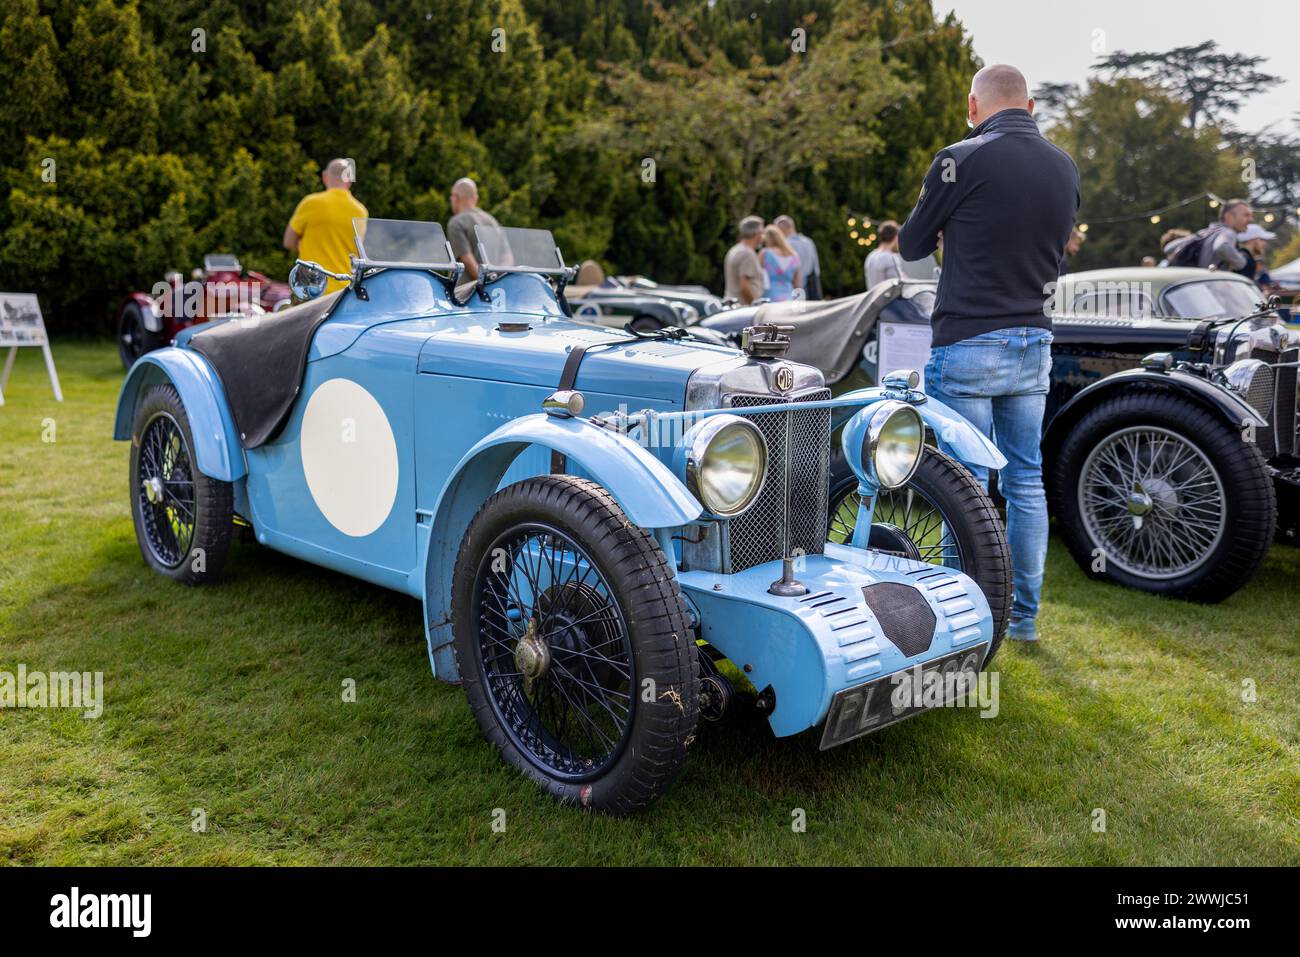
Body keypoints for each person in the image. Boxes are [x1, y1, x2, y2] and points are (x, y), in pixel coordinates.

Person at [898, 63, 1080, 644]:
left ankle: (965, 613)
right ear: (1029, 108)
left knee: (966, 484)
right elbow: (1054, 249)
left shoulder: (962, 157)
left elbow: (910, 243)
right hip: (1034, 340)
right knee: (1025, 480)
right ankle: (1023, 619)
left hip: (970, 338)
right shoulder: (1063, 165)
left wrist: (954, 230)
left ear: (972, 107)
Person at [283, 158, 368, 293]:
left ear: (324, 177)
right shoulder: (360, 211)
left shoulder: (311, 203)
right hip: (342, 291)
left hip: (309, 289)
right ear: (350, 179)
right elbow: (359, 253)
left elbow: (288, 241)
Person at [1164, 200, 1252, 270]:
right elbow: (1221, 247)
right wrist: (1241, 262)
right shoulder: (1228, 232)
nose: (1251, 219)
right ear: (1229, 217)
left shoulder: (1203, 233)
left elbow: (1168, 248)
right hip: (1207, 287)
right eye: (1246, 215)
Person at [446, 177, 501, 280]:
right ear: (475, 198)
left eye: (452, 196)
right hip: (495, 291)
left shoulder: (456, 223)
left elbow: (466, 260)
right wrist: (496, 282)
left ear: (456, 198)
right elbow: (507, 257)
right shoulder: (492, 221)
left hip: (467, 292)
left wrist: (484, 282)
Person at [775, 215, 822, 299]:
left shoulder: (785, 244)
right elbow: (815, 269)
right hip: (811, 288)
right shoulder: (809, 242)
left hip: (793, 289)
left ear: (781, 229)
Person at [723, 216, 765, 304]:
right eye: (762, 233)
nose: (763, 237)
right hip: (743, 307)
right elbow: (744, 286)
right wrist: (753, 305)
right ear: (756, 233)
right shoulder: (748, 254)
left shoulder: (735, 249)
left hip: (732, 304)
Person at [758, 224, 801, 301]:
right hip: (789, 296)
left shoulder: (765, 253)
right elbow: (797, 284)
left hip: (769, 296)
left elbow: (757, 276)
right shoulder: (794, 256)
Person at [864, 221, 904, 289]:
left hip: (872, 298)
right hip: (888, 299)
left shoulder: (871, 255)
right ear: (895, 237)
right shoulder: (890, 258)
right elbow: (898, 285)